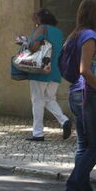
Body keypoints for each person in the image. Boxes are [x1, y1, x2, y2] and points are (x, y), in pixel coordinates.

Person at [59, 0, 96, 191]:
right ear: (95, 13)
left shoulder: (76, 34)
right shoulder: (89, 36)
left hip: (77, 93)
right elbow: (84, 69)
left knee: (84, 145)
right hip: (88, 94)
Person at [23, 8, 71, 142]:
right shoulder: (58, 32)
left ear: (39, 19)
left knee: (37, 100)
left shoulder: (41, 29)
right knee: (49, 98)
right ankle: (64, 120)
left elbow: (34, 47)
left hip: (40, 70)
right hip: (55, 71)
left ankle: (37, 133)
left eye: (35, 17)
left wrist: (24, 42)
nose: (34, 19)